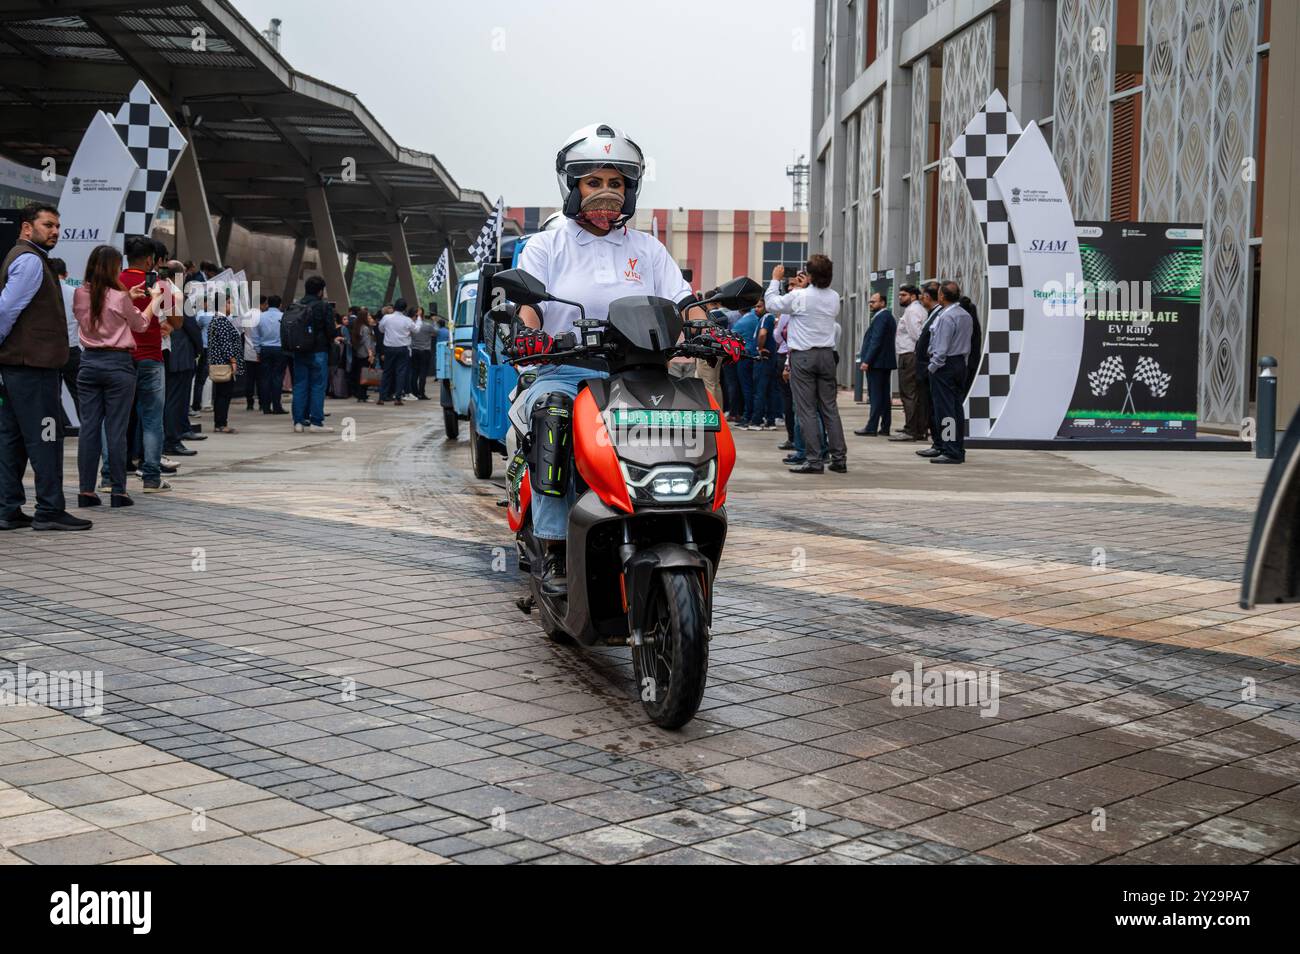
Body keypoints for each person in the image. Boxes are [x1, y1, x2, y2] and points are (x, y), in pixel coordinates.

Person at [511, 122, 732, 595]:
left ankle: (686, 526)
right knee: (553, 415)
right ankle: (552, 548)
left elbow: (682, 298)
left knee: (699, 421)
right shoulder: (547, 245)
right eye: (594, 182)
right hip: (567, 371)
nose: (606, 192)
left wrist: (708, 327)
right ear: (573, 187)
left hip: (640, 372)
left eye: (616, 183)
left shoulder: (647, 248)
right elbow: (526, 303)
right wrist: (527, 335)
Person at [0, 203, 91, 530]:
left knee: (12, 439)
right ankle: (50, 509)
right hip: (33, 367)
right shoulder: (30, 261)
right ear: (27, 227)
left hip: (19, 367)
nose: (55, 231)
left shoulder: (24, 257)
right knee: (46, 438)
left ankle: (7, 509)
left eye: (57, 226)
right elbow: (5, 310)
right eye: (47, 225)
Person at [73, 245, 164, 508]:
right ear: (113, 268)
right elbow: (142, 324)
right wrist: (154, 301)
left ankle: (86, 491)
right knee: (116, 428)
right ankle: (118, 491)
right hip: (118, 364)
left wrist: (128, 297)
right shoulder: (119, 297)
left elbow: (104, 308)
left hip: (88, 362)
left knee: (89, 428)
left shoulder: (80, 294)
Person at [765, 255, 847, 474]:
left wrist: (775, 280)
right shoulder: (833, 297)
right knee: (829, 408)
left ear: (809, 275)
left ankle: (814, 459)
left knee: (806, 409)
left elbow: (772, 304)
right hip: (827, 354)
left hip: (803, 356)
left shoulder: (798, 296)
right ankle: (839, 457)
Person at [925, 281, 973, 465]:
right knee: (955, 408)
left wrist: (933, 367)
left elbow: (941, 348)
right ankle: (957, 446)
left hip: (945, 366)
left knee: (945, 410)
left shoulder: (946, 317)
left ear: (942, 296)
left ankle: (949, 449)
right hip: (960, 363)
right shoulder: (965, 315)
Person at [291, 276, 334, 432]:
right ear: (320, 291)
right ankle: (316, 422)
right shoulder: (324, 307)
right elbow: (330, 331)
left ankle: (298, 422)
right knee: (317, 386)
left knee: (300, 385)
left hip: (299, 350)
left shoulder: (296, 305)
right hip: (318, 351)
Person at [890, 283, 930, 443]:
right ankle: (918, 428)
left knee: (908, 394)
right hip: (912, 355)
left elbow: (917, 335)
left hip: (909, 355)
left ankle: (911, 429)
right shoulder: (916, 310)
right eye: (899, 295)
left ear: (913, 296)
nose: (900, 298)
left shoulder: (912, 311)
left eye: (904, 295)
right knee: (916, 394)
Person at [855, 290, 896, 437]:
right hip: (883, 362)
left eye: (874, 301)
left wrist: (867, 360)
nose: (871, 304)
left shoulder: (882, 317)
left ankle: (871, 427)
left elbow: (876, 341)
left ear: (882, 303)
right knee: (884, 395)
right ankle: (885, 426)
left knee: (876, 395)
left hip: (877, 363)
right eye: (870, 302)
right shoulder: (885, 316)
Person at [914, 282, 945, 458]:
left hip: (931, 368)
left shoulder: (940, 315)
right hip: (926, 368)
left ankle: (940, 443)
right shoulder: (932, 314)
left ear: (927, 297)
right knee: (930, 407)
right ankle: (938, 442)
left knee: (935, 408)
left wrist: (930, 367)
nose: (921, 298)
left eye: (922, 295)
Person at [206, 294, 243, 434]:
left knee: (222, 394)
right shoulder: (221, 321)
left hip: (219, 361)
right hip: (223, 363)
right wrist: (233, 361)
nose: (232, 306)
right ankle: (221, 423)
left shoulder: (218, 320)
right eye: (229, 303)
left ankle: (220, 423)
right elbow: (226, 344)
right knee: (224, 394)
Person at [377, 299, 417, 405]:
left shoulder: (386, 318)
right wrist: (419, 319)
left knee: (387, 372)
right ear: (404, 309)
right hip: (402, 348)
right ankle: (398, 397)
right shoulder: (407, 320)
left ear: (394, 307)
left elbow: (381, 329)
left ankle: (381, 397)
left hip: (389, 348)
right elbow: (416, 330)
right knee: (401, 373)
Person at [254, 294, 287, 414]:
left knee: (264, 378)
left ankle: (266, 407)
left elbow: (255, 336)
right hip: (279, 349)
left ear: (268, 304)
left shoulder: (261, 317)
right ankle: (277, 406)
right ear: (280, 304)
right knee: (278, 378)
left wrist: (257, 351)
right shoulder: (284, 317)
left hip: (265, 349)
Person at [350, 307, 376, 401]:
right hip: (365, 354)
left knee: (360, 375)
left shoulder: (358, 327)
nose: (369, 317)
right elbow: (367, 342)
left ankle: (361, 395)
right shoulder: (365, 328)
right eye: (368, 315)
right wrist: (371, 355)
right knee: (365, 376)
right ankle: (363, 395)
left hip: (359, 354)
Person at [409, 305, 435, 400]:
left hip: (414, 350)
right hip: (425, 351)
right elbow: (436, 331)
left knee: (414, 372)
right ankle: (421, 393)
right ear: (423, 315)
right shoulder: (427, 326)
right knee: (423, 373)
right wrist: (433, 321)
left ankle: (414, 392)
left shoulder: (411, 325)